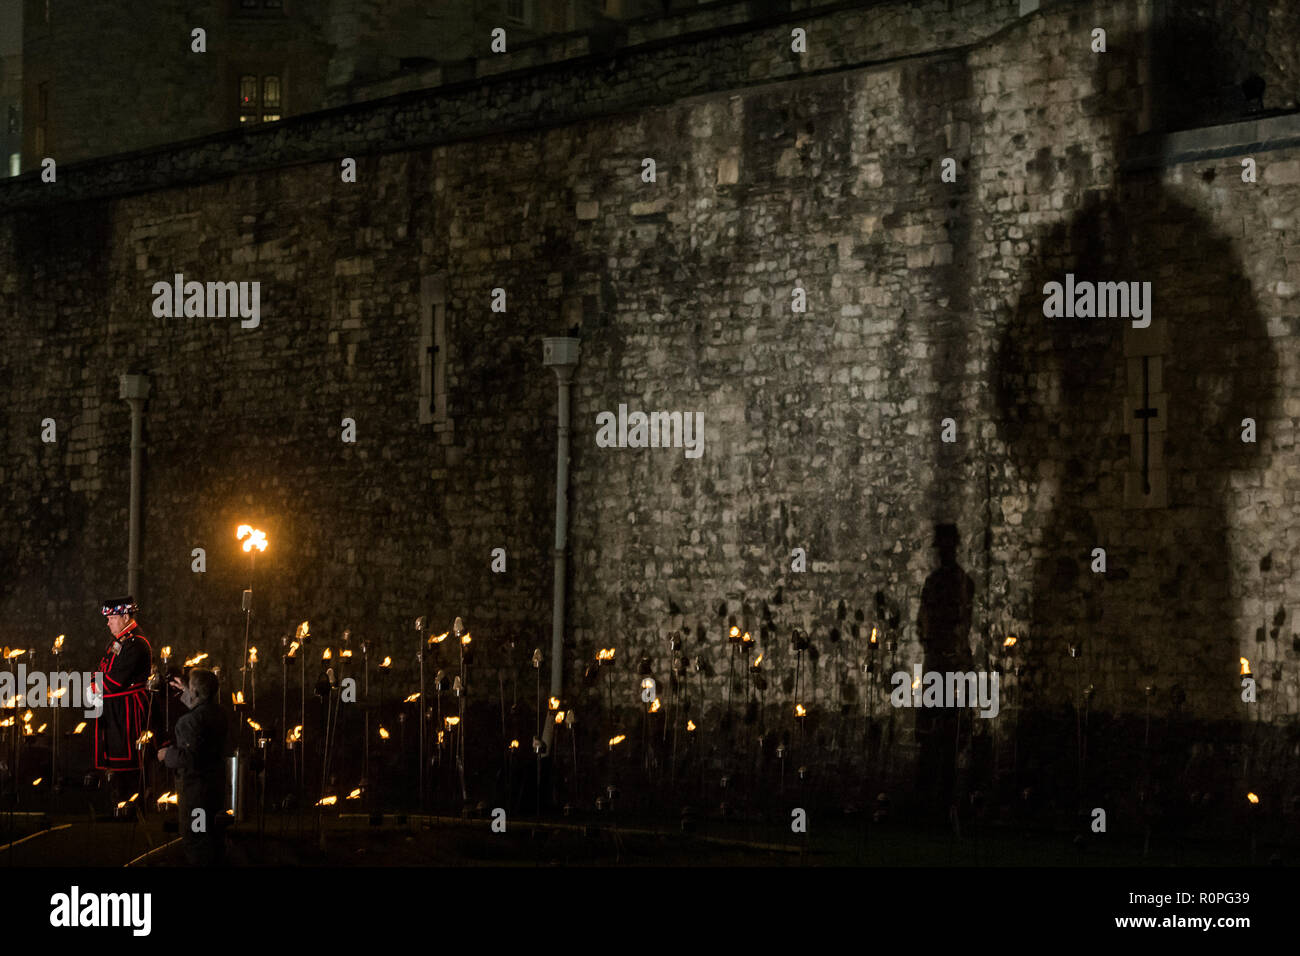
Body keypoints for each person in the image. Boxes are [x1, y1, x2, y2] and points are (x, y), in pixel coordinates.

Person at [915, 524, 975, 825]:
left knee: (947, 737)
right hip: (939, 664)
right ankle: (930, 805)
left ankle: (941, 805)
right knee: (934, 738)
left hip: (945, 665)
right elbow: (924, 625)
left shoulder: (956, 583)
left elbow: (957, 626)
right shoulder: (940, 582)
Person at [158, 667, 229, 865]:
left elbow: (190, 758)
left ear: (196, 692)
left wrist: (166, 755)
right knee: (214, 838)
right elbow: (202, 706)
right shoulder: (220, 714)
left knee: (197, 839)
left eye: (190, 688)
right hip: (214, 790)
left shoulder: (188, 722)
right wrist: (189, 691)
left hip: (196, 796)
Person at [92, 597, 153, 776]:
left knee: (127, 767)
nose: (108, 623)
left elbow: (116, 680)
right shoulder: (120, 641)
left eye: (112, 618)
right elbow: (103, 669)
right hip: (115, 711)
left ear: (125, 617)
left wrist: (95, 686)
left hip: (127, 711)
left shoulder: (136, 643)